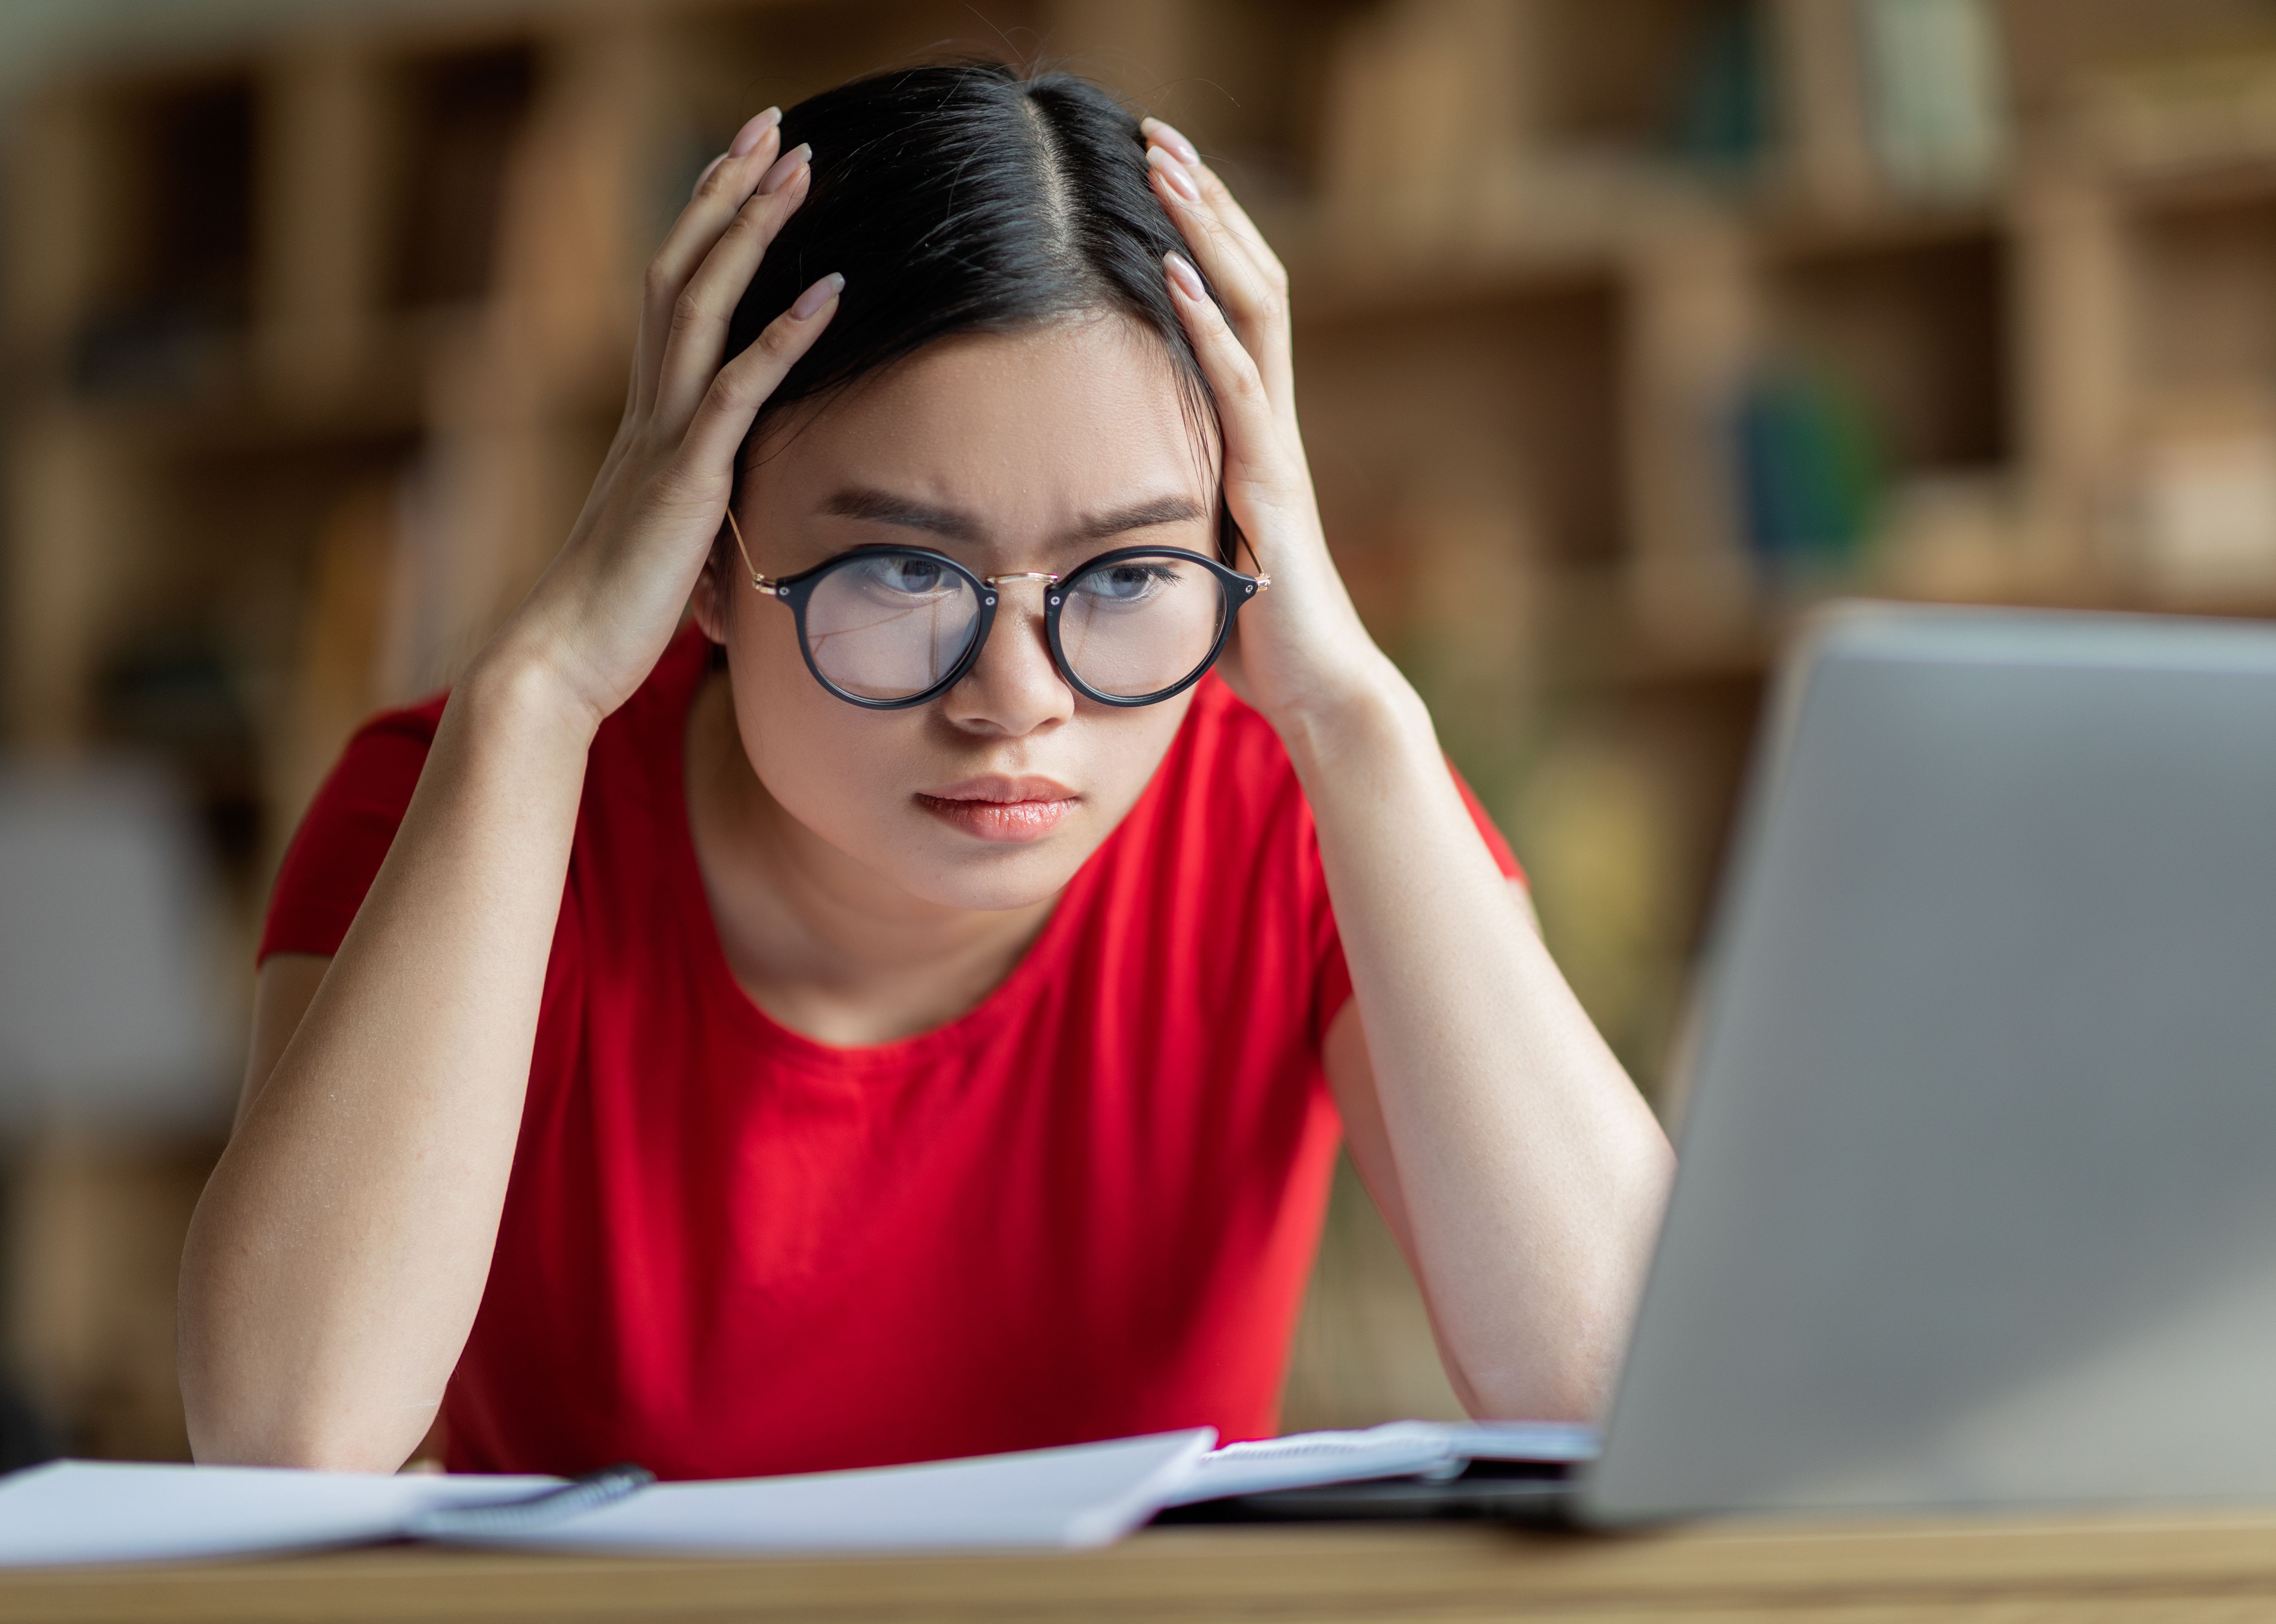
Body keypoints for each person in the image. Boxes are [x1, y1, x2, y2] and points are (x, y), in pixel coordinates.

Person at [177, 62, 1675, 1479]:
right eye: (903, 570)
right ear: (703, 554)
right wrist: (542, 688)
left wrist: (1348, 706)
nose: (1015, 702)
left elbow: (1629, 1390)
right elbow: (284, 1433)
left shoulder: (1300, 818)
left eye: (1130, 570)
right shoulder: (467, 799)